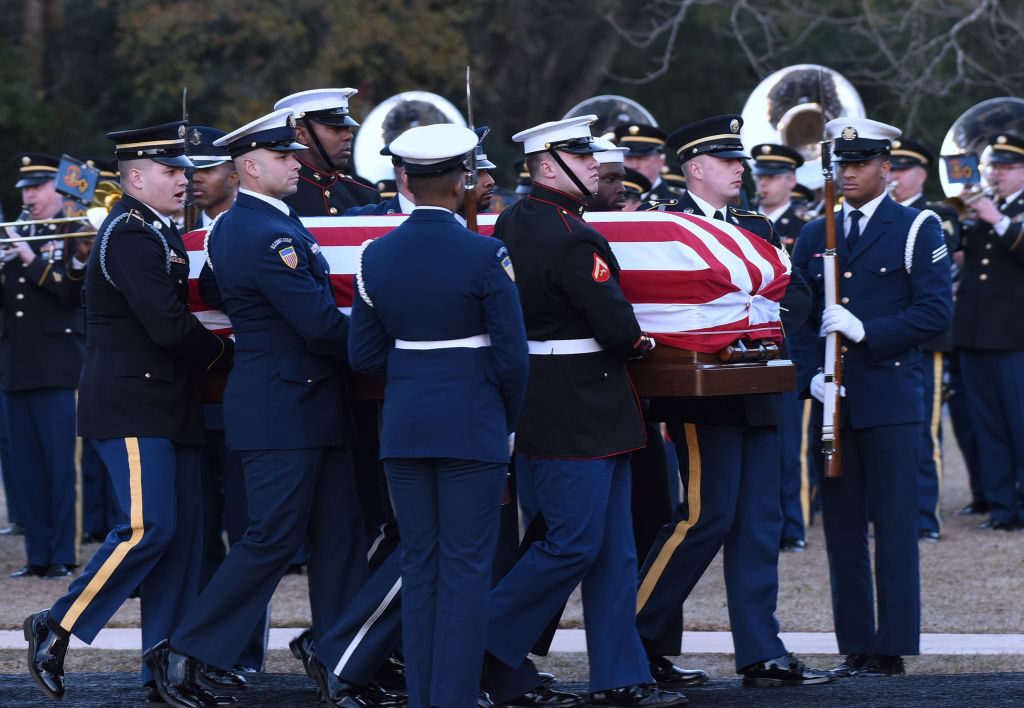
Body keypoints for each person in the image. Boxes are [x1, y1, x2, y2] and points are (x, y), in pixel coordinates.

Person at [146, 109, 373, 708]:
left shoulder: (265, 226)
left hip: (309, 403)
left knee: (340, 538)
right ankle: (187, 650)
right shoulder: (259, 232)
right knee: (271, 538)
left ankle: (341, 656)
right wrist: (398, 346)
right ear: (249, 165)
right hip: (282, 406)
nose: (296, 164)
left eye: (294, 155)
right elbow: (320, 325)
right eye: (283, 157)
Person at [24, 121, 234, 703]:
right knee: (150, 528)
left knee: (183, 543)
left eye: (185, 170)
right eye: (171, 172)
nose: (185, 180)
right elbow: (167, 325)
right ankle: (58, 623)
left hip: (167, 402)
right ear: (135, 177)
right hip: (133, 403)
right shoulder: (132, 234)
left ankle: (165, 668)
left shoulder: (156, 230)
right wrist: (233, 353)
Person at [483, 115, 681, 708]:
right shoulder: (572, 233)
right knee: (572, 542)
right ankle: (478, 642)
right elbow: (615, 324)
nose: (596, 163)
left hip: (564, 401)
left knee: (612, 549)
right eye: (580, 155)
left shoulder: (513, 219)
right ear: (548, 166)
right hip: (580, 404)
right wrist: (643, 343)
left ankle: (620, 676)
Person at [634, 114, 825, 689]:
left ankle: (760, 652)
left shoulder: (754, 223)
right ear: (694, 168)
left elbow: (796, 293)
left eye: (740, 161)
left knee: (758, 524)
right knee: (703, 518)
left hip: (758, 383)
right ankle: (629, 636)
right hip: (703, 392)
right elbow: (657, 303)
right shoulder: (664, 226)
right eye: (728, 161)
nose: (742, 170)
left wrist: (750, 322)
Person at [347, 122, 529, 708]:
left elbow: (365, 354)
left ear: (403, 179)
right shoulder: (486, 253)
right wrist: (508, 423)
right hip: (473, 426)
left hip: (405, 427)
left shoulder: (374, 255)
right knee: (467, 570)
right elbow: (512, 358)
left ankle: (425, 696)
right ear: (463, 183)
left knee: (420, 565)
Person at [790, 117, 953, 677]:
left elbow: (935, 312)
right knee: (840, 526)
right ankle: (855, 642)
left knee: (894, 523)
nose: (849, 173)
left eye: (860, 163)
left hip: (890, 398)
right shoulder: (816, 235)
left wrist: (866, 331)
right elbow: (797, 318)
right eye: (842, 163)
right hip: (834, 401)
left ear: (887, 167)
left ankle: (891, 644)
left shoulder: (916, 229)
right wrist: (808, 374)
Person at [2, 153, 88, 580]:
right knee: (27, 468)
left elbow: (71, 294)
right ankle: (36, 555)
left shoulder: (75, 233)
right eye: (24, 190)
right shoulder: (16, 234)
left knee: (60, 466)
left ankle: (62, 555)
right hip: (17, 369)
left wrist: (29, 259)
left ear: (58, 190)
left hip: (59, 368)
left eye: (36, 188)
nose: (29, 196)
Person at [886, 137, 961, 541]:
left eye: (901, 169)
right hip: (879, 337)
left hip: (924, 338)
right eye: (890, 167)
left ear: (921, 174)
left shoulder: (938, 213)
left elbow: (943, 255)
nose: (893, 176)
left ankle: (924, 517)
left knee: (924, 429)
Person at [952, 131, 1024, 531]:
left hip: (1015, 337)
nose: (996, 174)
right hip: (976, 335)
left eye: (1006, 167)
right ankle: (1001, 508)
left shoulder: (1003, 213)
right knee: (988, 425)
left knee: (1019, 423)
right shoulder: (980, 210)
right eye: (993, 166)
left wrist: (995, 219)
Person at [749, 143, 812, 553]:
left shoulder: (804, 226)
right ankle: (763, 520)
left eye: (772, 176)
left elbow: (803, 292)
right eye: (761, 176)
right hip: (748, 350)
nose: (764, 183)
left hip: (788, 346)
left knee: (790, 445)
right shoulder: (744, 223)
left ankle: (794, 525)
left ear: (791, 180)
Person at [274, 88, 380, 214]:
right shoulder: (277, 197)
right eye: (336, 128)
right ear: (301, 135)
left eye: (347, 128)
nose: (349, 136)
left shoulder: (364, 195)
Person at [613, 123, 675, 202]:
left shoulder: (676, 200)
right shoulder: (611, 196)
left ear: (660, 163)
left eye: (641, 159)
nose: (634, 166)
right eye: (628, 158)